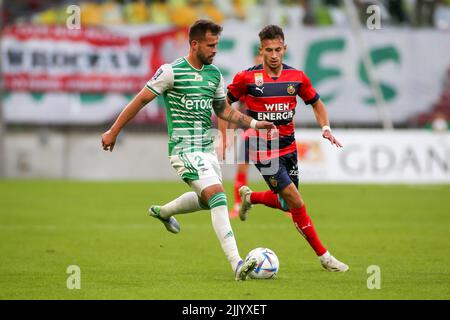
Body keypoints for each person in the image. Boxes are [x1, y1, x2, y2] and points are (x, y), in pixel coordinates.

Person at [101, 19, 275, 281]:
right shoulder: (171, 72)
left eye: (217, 44)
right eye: (210, 45)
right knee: (218, 197)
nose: (215, 50)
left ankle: (163, 212)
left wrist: (252, 122)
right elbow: (140, 100)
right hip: (183, 148)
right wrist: (114, 130)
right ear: (194, 44)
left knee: (207, 201)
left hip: (206, 149)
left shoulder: (214, 75)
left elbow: (223, 110)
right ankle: (237, 264)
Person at [222, 25, 349, 272]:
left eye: (278, 49)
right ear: (260, 51)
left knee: (286, 202)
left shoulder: (297, 77)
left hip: (288, 146)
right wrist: (225, 134)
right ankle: (325, 257)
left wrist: (325, 127)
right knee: (296, 200)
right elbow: (224, 104)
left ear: (284, 49)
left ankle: (251, 197)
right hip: (260, 146)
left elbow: (316, 103)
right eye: (268, 50)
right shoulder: (246, 78)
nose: (273, 55)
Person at [219, 54, 264, 219]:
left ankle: (288, 206)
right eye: (257, 61)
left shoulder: (275, 83)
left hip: (269, 135)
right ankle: (238, 205)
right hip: (250, 133)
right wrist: (230, 134)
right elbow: (235, 109)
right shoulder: (249, 83)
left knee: (280, 172)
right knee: (242, 168)